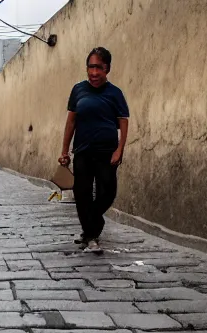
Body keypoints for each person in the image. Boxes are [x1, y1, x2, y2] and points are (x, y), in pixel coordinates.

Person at [59, 47, 129, 253]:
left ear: (107, 69)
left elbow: (123, 122)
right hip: (82, 151)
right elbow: (71, 122)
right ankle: (91, 235)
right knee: (82, 194)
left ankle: (92, 225)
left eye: (99, 67)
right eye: (91, 67)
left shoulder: (115, 93)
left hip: (107, 152)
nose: (94, 72)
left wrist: (120, 149)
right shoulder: (78, 90)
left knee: (108, 192)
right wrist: (64, 151)